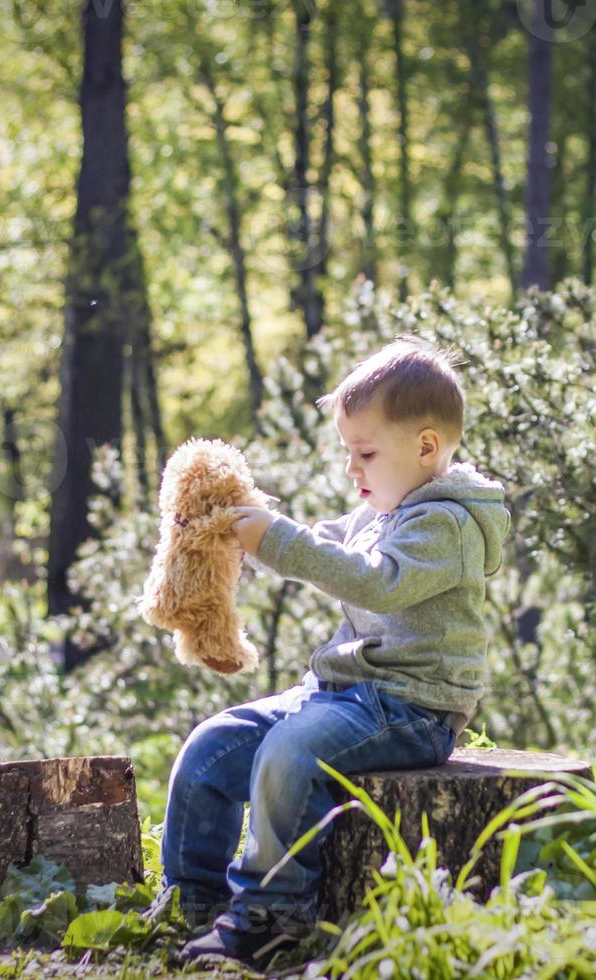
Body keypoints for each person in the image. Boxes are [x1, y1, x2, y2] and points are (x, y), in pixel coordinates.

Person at [155, 336, 511, 969]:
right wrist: (238, 533)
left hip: (412, 707)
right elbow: (325, 544)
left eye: (365, 453)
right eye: (350, 452)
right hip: (345, 695)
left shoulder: (447, 524)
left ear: (427, 447)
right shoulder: (383, 508)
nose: (354, 470)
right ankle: (191, 897)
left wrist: (280, 543)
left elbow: (374, 578)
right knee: (214, 744)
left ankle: (271, 915)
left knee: (288, 752)